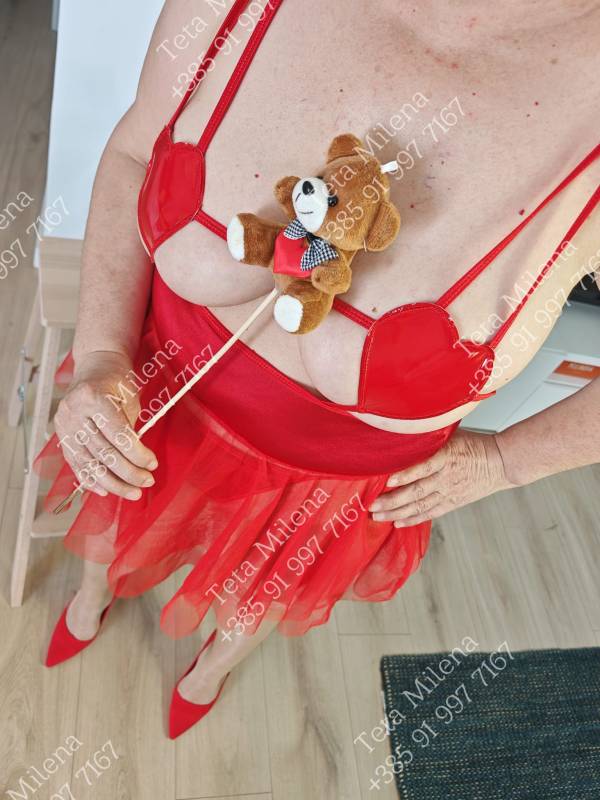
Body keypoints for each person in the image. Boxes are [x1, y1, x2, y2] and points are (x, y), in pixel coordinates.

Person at [37, 0, 600, 739]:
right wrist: (104, 352)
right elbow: (137, 151)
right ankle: (90, 598)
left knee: (257, 595)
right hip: (159, 394)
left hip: (335, 482)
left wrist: (509, 462)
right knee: (114, 524)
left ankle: (209, 671)